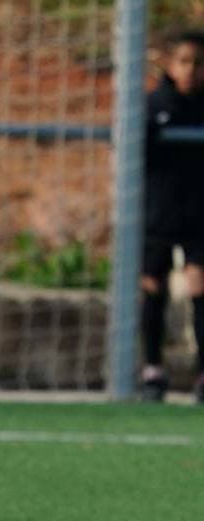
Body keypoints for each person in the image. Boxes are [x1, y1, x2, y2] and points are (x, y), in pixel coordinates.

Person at [140, 29, 204, 403]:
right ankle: (152, 369)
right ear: (170, 64)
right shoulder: (153, 106)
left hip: (199, 216)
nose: (191, 70)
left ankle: (201, 374)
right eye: (184, 62)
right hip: (158, 213)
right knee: (152, 289)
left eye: (198, 64)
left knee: (200, 291)